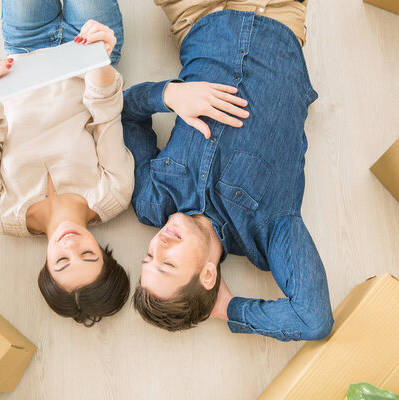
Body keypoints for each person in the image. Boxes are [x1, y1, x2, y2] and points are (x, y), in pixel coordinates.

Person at [122, 0, 334, 341]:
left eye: (149, 256)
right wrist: (228, 308)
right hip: (274, 13)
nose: (158, 245)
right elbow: (312, 319)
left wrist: (170, 94)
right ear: (208, 276)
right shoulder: (268, 233)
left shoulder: (151, 199)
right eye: (168, 264)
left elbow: (126, 112)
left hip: (195, 17)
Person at [0, 0, 133, 327]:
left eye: (61, 262)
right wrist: (99, 56)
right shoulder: (115, 194)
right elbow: (107, 113)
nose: (70, 245)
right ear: (104, 253)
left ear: (46, 267)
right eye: (87, 255)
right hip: (84, 57)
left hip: (22, 53)